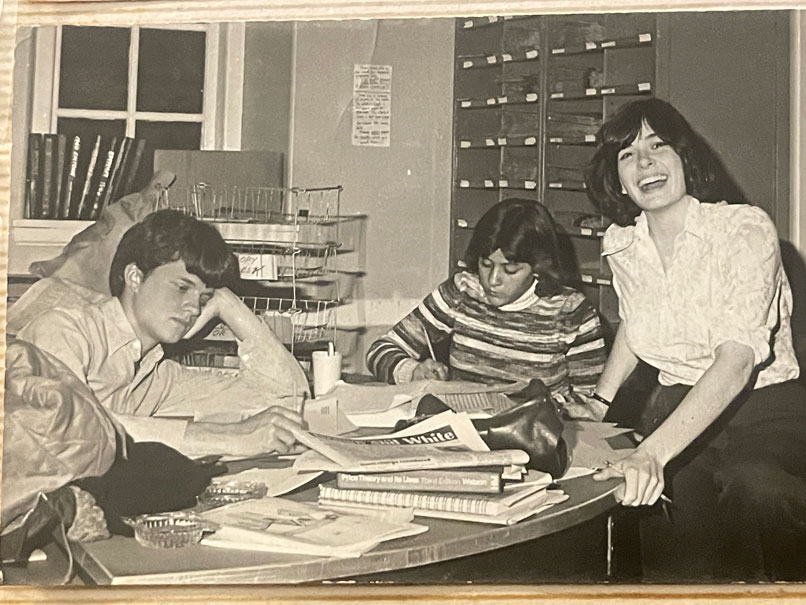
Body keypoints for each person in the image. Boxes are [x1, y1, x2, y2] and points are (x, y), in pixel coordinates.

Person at [585, 98, 806, 581]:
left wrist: (652, 452)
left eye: (657, 145)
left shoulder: (743, 229)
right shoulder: (622, 245)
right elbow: (635, 322)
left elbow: (737, 361)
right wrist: (600, 402)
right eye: (626, 155)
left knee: (758, 490)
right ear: (616, 177)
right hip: (675, 406)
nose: (644, 163)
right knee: (661, 517)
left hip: (763, 409)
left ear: (685, 155)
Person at [15, 209, 308, 459]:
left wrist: (228, 304)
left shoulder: (155, 374)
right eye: (182, 288)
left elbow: (286, 395)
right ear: (135, 277)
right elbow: (71, 431)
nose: (193, 307)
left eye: (203, 297)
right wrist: (230, 436)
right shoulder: (63, 331)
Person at [366, 198, 608, 419]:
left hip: (535, 435)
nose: (492, 280)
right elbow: (380, 350)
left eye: (510, 270)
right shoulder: (462, 292)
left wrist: (549, 407)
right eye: (486, 264)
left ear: (537, 266)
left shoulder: (571, 311)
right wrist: (413, 371)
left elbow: (589, 404)